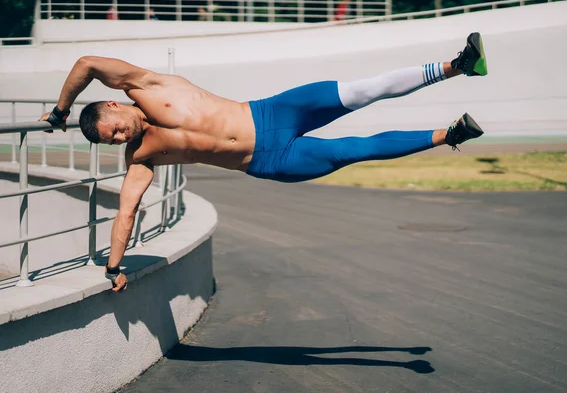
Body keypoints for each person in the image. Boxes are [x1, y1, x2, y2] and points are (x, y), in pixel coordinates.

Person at [40, 32, 488, 292]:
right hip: (270, 159)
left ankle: (459, 65)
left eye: (114, 128)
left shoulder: (146, 85)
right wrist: (114, 267)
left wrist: (61, 110)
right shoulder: (141, 156)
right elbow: (126, 211)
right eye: (112, 140)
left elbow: (86, 62)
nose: (121, 136)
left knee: (360, 91)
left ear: (113, 107)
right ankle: (451, 134)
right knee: (355, 149)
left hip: (272, 111)